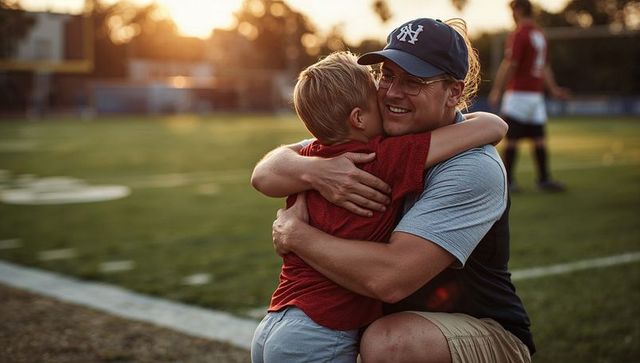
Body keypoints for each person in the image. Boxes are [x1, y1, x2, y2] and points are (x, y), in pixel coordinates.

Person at [252, 17, 535, 362]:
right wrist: (317, 170)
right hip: (382, 318)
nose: (392, 93)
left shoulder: (472, 166)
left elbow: (390, 279)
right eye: (387, 75)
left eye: (413, 82)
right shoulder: (378, 137)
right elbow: (267, 172)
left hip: (483, 327)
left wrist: (295, 234)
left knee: (388, 343)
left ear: (454, 93)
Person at [489, 0, 571, 193]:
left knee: (512, 139)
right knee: (539, 138)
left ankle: (508, 182)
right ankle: (543, 180)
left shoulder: (519, 34)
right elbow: (544, 67)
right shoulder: (540, 34)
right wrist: (554, 89)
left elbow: (511, 64)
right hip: (536, 96)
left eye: (512, 11)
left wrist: (497, 90)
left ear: (517, 10)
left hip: (518, 94)